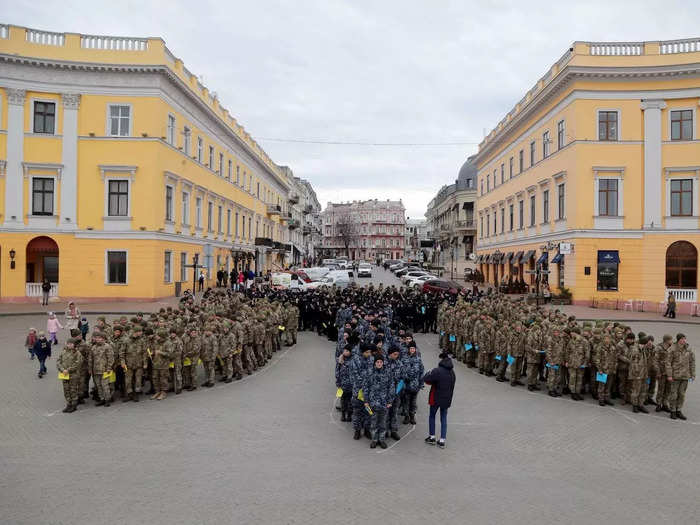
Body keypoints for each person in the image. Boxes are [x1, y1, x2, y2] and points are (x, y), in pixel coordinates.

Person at [422, 351, 456, 449]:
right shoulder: (452, 372)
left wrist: (429, 372)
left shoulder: (437, 370)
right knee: (443, 418)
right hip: (446, 398)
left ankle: (432, 437)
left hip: (435, 397)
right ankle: (442, 440)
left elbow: (427, 379)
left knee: (432, 416)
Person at [56, 338, 84, 413]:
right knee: (66, 390)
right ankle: (69, 404)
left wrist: (68, 370)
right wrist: (62, 370)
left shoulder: (77, 353)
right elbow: (58, 361)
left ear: (74, 345)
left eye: (71, 344)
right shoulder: (63, 352)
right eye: (68, 344)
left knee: (73, 390)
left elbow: (78, 364)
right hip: (64, 375)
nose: (69, 345)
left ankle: (74, 405)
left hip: (73, 375)